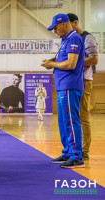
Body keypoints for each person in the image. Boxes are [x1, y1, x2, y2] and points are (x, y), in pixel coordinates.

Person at [41, 13, 85, 168]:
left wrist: (52, 65)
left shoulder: (74, 39)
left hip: (69, 86)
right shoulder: (66, 40)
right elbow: (64, 60)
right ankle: (68, 151)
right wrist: (52, 61)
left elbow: (71, 64)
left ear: (65, 24)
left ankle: (76, 156)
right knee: (63, 122)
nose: (55, 31)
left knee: (71, 122)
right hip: (63, 87)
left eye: (56, 27)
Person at [67, 13, 99, 160]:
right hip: (73, 81)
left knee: (83, 116)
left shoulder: (88, 37)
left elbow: (94, 59)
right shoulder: (70, 39)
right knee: (73, 117)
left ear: (75, 23)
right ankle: (74, 148)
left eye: (69, 24)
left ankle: (84, 151)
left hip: (85, 80)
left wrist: (74, 61)